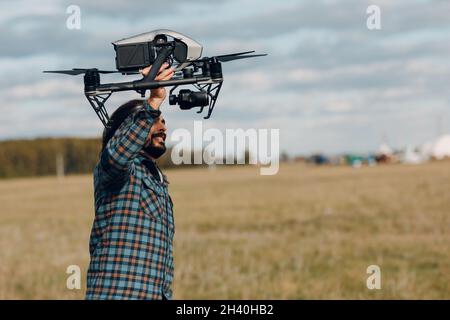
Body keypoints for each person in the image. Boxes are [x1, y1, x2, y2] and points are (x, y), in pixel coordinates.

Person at [86, 63, 176, 299]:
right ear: (125, 131)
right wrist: (153, 101)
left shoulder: (155, 179)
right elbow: (117, 155)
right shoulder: (116, 169)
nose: (162, 126)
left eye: (163, 121)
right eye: (153, 120)